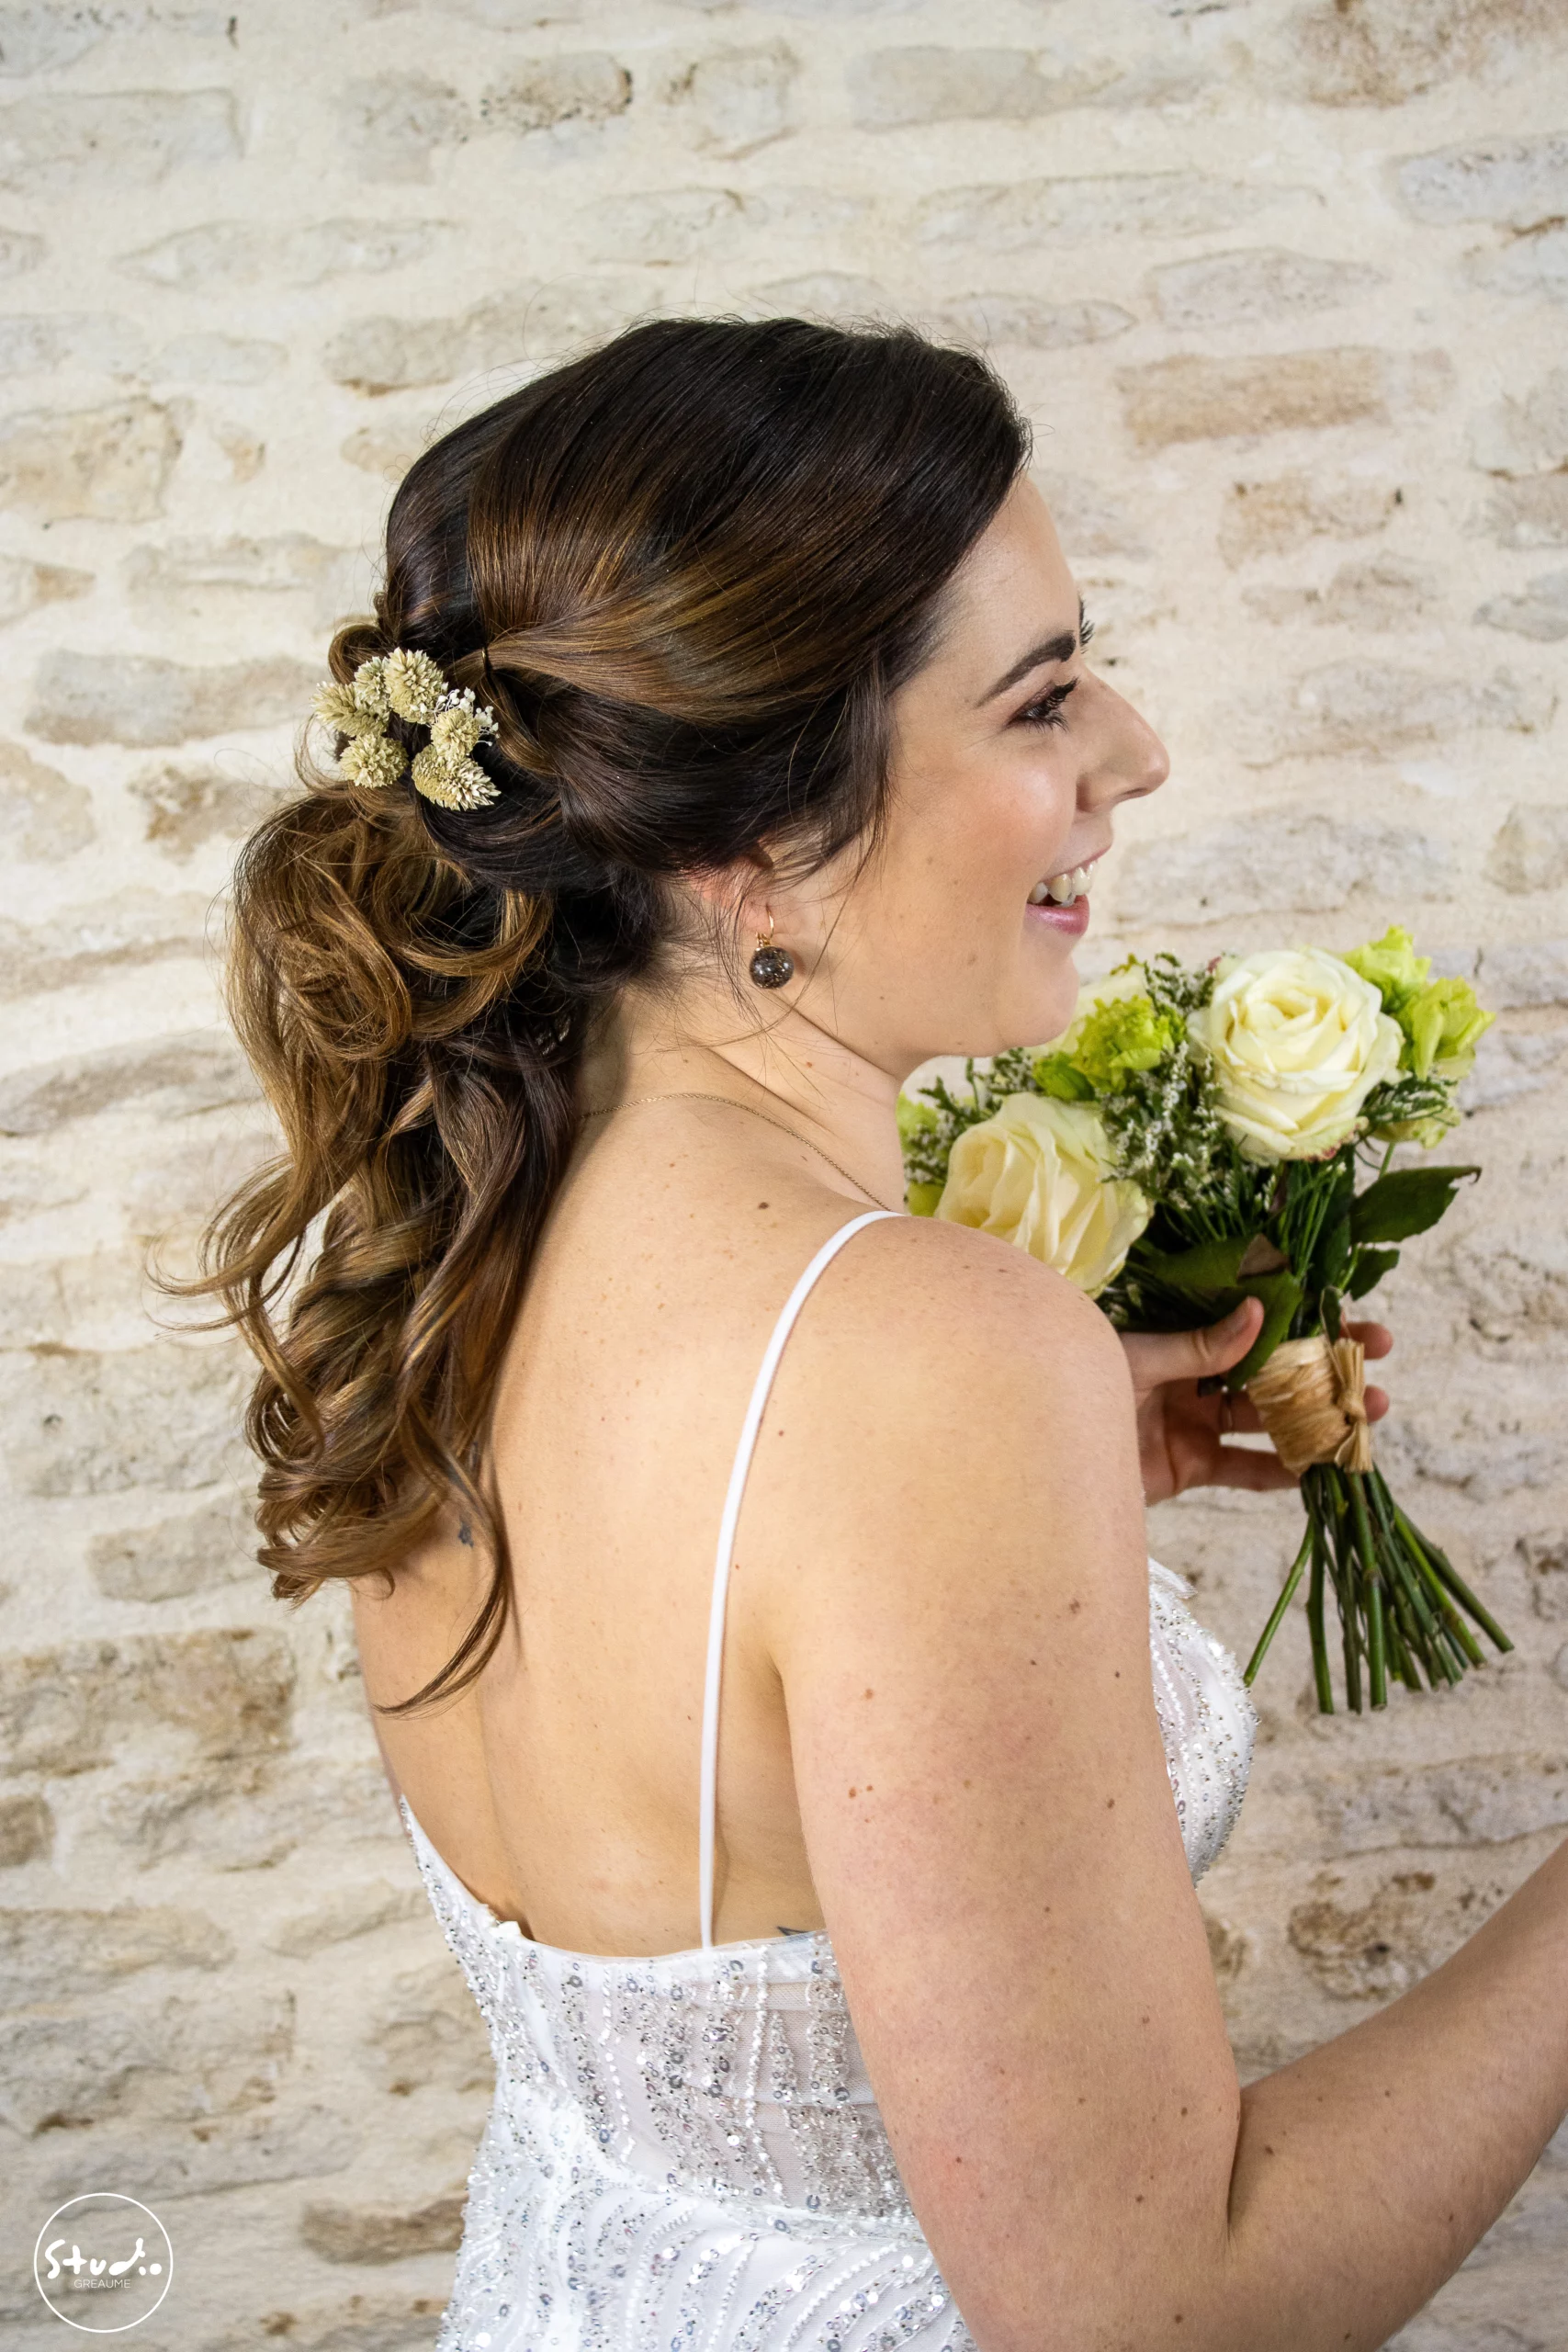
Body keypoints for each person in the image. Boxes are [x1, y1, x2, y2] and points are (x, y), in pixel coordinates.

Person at [197, 319, 1567, 2352]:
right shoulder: (910, 1349)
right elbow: (1157, 2311)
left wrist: (1000, 1497)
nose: (1133, 753)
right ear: (750, 842)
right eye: (1041, 697)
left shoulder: (463, 1239)